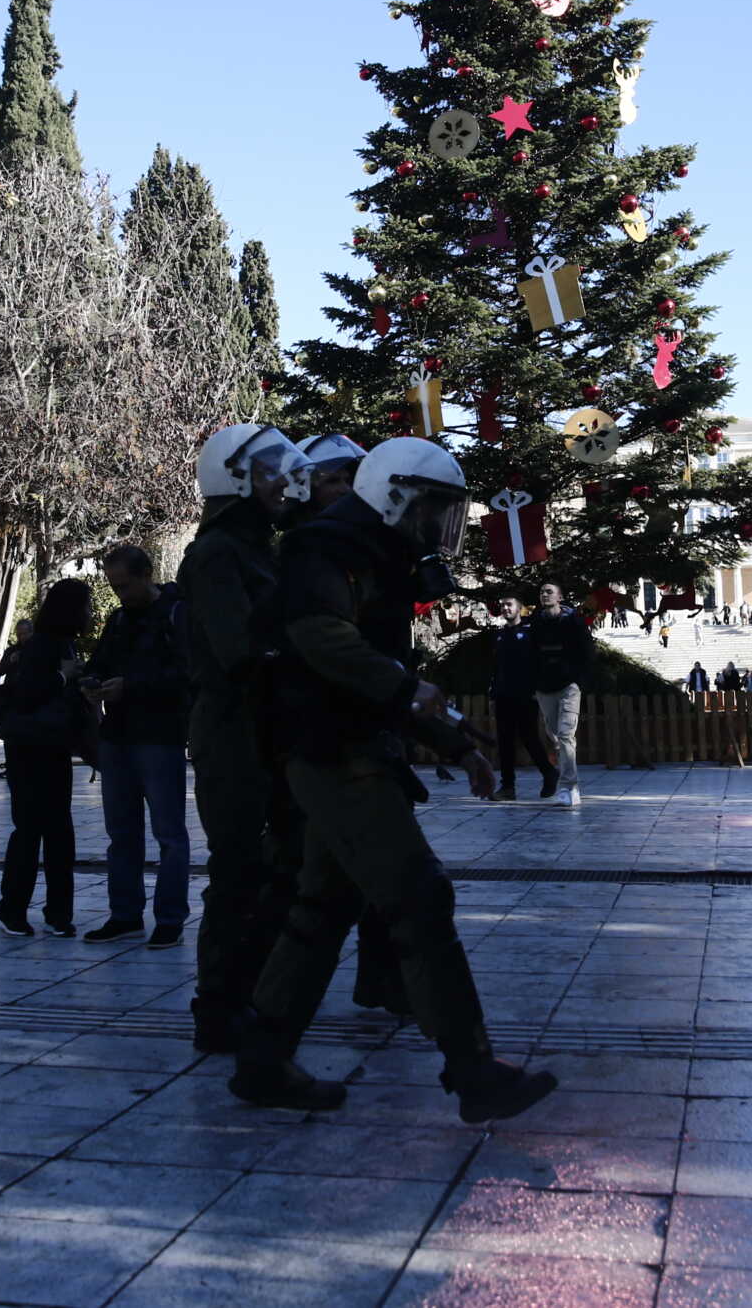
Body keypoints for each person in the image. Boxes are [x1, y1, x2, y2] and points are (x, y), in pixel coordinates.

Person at [229, 437, 556, 1124]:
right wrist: (409, 691)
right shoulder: (329, 547)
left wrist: (451, 740)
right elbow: (322, 636)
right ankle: (473, 1071)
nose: (444, 526)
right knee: (419, 895)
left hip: (342, 744)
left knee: (320, 909)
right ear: (398, 495)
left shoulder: (377, 552)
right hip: (329, 750)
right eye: (438, 508)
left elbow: (378, 674)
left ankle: (261, 1060)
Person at [177, 423, 310, 1050]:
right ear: (233, 479)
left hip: (265, 730)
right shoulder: (217, 554)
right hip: (233, 733)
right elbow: (240, 652)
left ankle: (254, 996)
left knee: (275, 872)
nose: (282, 482)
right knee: (236, 872)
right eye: (267, 472)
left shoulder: (261, 548)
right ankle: (218, 1009)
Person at [83, 544, 191, 949]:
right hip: (118, 737)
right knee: (122, 834)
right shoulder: (118, 620)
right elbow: (100, 663)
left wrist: (132, 686)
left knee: (169, 834)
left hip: (160, 737)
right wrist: (91, 683)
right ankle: (125, 914)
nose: (120, 595)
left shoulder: (177, 615)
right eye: (114, 587)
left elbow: (187, 674)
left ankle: (170, 918)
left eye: (125, 586)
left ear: (147, 573)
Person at [0, 579, 93, 936]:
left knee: (59, 832)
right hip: (29, 751)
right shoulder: (40, 647)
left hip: (52, 749)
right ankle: (13, 910)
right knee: (31, 830)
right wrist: (63, 678)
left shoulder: (64, 643)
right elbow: (28, 696)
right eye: (86, 605)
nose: (90, 613)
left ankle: (58, 913)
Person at [530, 580, 596, 796]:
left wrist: (579, 682)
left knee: (567, 734)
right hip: (544, 686)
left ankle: (569, 787)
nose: (544, 595)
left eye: (549, 592)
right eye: (542, 592)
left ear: (559, 597)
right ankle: (563, 763)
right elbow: (529, 653)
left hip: (568, 686)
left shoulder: (573, 621)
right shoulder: (536, 622)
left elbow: (587, 652)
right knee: (555, 734)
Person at [487, 596, 555, 801]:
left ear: (519, 608)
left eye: (509, 605)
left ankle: (549, 773)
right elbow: (496, 667)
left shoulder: (530, 633)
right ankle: (507, 787)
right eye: (502, 605)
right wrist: (493, 693)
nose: (505, 608)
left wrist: (538, 689)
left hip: (526, 695)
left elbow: (540, 663)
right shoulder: (499, 635)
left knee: (529, 738)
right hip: (503, 695)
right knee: (505, 741)